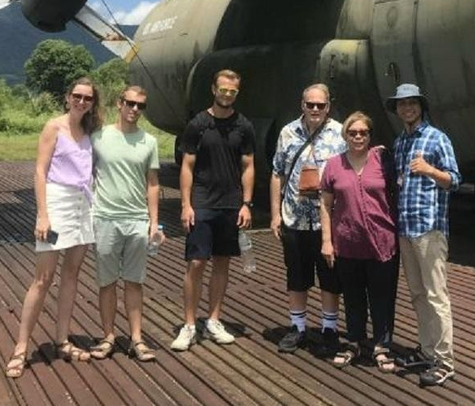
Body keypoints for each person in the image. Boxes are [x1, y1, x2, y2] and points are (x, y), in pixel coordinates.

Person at [5, 77, 102, 378]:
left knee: (71, 274)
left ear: (93, 103)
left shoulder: (90, 131)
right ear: (67, 97)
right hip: (57, 202)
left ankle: (62, 338)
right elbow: (39, 170)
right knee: (43, 278)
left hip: (83, 205)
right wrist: (43, 214)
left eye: (87, 98)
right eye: (77, 96)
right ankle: (21, 348)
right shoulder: (54, 127)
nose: (81, 102)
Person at [171, 69, 255, 352]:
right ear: (214, 89)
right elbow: (187, 166)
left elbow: (248, 166)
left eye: (232, 91)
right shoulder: (198, 124)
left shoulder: (243, 126)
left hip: (230, 203)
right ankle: (189, 324)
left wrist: (246, 203)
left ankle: (214, 320)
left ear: (237, 93)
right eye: (223, 90)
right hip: (203, 202)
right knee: (196, 263)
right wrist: (186, 204)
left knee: (222, 263)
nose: (227, 95)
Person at [386, 83, 461, 387]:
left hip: (429, 228)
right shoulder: (400, 142)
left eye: (412, 104)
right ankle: (427, 350)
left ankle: (445, 361)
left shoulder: (437, 138)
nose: (407, 109)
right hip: (406, 228)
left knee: (435, 295)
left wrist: (430, 170)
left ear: (421, 107)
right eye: (402, 105)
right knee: (418, 294)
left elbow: (454, 180)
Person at [270, 83, 345, 355]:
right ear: (302, 105)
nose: (315, 109)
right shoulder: (288, 132)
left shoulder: (340, 133)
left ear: (328, 107)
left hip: (329, 220)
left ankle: (329, 327)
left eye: (320, 105)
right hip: (295, 217)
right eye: (310, 104)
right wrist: (275, 214)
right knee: (297, 275)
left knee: (330, 276)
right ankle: (297, 326)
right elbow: (277, 173)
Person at [320, 112, 398, 372]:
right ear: (345, 135)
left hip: (382, 240)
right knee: (353, 297)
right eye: (352, 132)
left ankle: (382, 346)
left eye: (363, 132)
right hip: (348, 242)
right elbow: (326, 204)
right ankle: (353, 341)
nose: (358, 136)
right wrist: (327, 241)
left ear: (370, 135)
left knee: (382, 297)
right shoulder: (333, 165)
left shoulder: (383, 160)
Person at [90, 85, 161, 362]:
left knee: (134, 281)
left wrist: (154, 222)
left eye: (140, 106)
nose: (134, 109)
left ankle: (136, 338)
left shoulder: (149, 142)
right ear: (120, 103)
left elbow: (153, 184)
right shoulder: (99, 137)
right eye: (130, 103)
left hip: (137, 220)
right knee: (106, 282)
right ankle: (108, 336)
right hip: (105, 218)